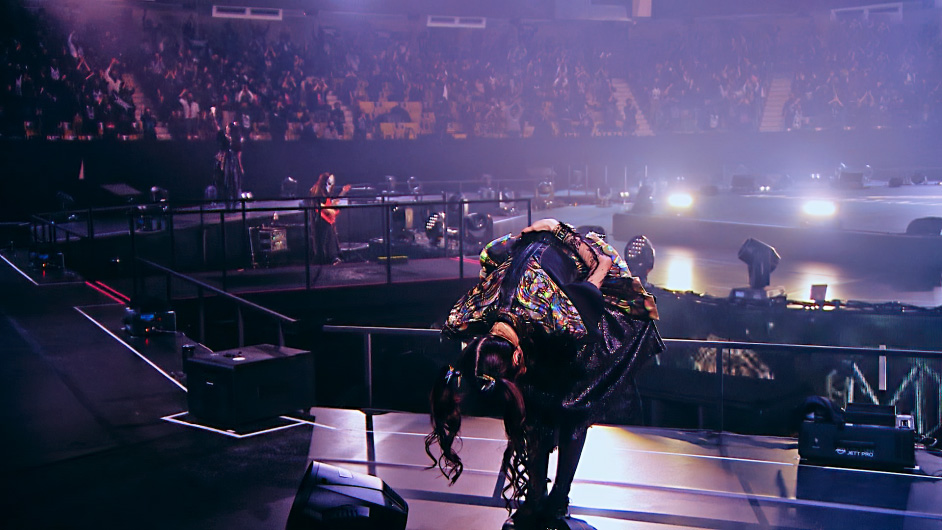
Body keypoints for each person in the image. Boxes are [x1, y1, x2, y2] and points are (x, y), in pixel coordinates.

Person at [426, 219, 664, 530]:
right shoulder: (478, 307)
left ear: (515, 355)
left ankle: (557, 499)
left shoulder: (564, 315)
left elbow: (602, 265)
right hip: (530, 267)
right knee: (535, 413)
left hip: (577, 267)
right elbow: (461, 314)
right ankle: (536, 499)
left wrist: (558, 231)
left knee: (574, 406)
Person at [309, 172, 351, 264]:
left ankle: (335, 257)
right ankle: (330, 257)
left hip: (327, 218)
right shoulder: (316, 190)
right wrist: (330, 211)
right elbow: (318, 204)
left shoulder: (327, 192)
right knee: (326, 238)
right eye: (329, 182)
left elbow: (331, 204)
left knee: (332, 237)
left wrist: (343, 192)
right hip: (320, 217)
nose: (331, 185)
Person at [212, 107, 244, 208]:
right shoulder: (222, 135)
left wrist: (240, 166)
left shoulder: (234, 138)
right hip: (225, 160)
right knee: (225, 180)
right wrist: (213, 116)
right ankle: (227, 201)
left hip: (231, 160)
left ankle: (234, 201)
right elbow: (216, 128)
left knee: (234, 180)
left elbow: (238, 153)